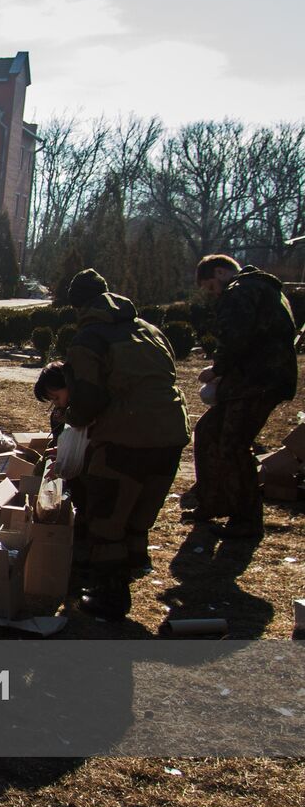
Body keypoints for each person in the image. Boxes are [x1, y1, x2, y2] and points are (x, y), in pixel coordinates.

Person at [61, 269, 189, 620]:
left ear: (78, 306)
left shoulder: (89, 339)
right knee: (138, 514)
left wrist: (69, 422)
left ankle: (110, 597)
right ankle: (133, 568)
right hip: (172, 433)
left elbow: (88, 399)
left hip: (125, 437)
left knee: (107, 517)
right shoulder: (149, 330)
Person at [187, 254, 298, 540]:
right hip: (263, 379)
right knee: (208, 431)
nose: (213, 294)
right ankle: (212, 502)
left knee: (234, 446)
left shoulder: (240, 292)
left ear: (221, 273)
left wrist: (217, 370)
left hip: (255, 382)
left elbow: (235, 337)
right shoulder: (267, 290)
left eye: (211, 287)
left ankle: (246, 520)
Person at [34, 361, 93, 573]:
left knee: (86, 499)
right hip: (73, 467)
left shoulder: (85, 410)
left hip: (89, 468)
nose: (56, 404)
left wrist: (65, 457)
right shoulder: (60, 413)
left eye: (57, 397)